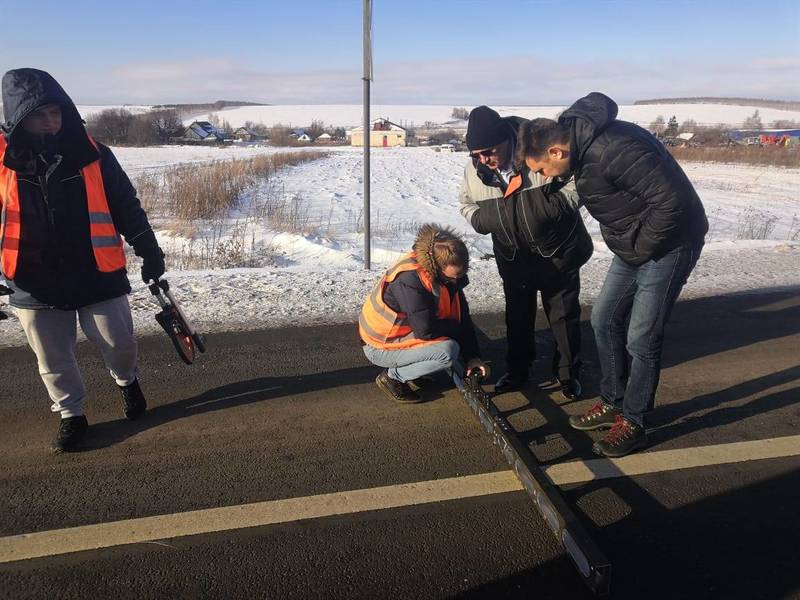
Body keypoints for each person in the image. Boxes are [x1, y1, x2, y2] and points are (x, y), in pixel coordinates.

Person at [517, 92, 707, 457]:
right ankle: (613, 401)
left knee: (641, 337)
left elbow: (673, 202)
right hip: (635, 244)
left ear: (556, 151)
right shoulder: (582, 149)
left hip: (670, 244)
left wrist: (641, 248)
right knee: (603, 319)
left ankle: (634, 421)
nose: (541, 176)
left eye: (540, 169)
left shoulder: (612, 149)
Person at [0, 68, 166, 452]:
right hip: (32, 279)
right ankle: (71, 415)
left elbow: (126, 204)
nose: (51, 120)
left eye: (56, 112)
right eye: (40, 114)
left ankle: (127, 382)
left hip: (97, 271)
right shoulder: (3, 162)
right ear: (18, 117)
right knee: (53, 357)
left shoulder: (92, 153)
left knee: (120, 343)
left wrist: (149, 250)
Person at [459, 106, 593, 398]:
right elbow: (465, 202)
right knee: (517, 317)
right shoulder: (476, 169)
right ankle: (518, 372)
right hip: (513, 256)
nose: (484, 160)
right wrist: (483, 220)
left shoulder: (539, 147)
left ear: (507, 140)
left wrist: (546, 209)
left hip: (557, 251)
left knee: (563, 316)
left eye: (489, 152)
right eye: (476, 155)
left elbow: (578, 182)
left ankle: (568, 375)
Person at [359, 223, 488, 403]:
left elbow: (461, 316)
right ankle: (393, 377)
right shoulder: (410, 280)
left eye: (461, 275)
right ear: (437, 266)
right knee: (447, 352)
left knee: (451, 339)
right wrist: (458, 335)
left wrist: (473, 357)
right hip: (379, 345)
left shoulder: (445, 275)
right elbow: (426, 331)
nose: (457, 281)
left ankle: (415, 369)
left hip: (405, 332)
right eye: (453, 277)